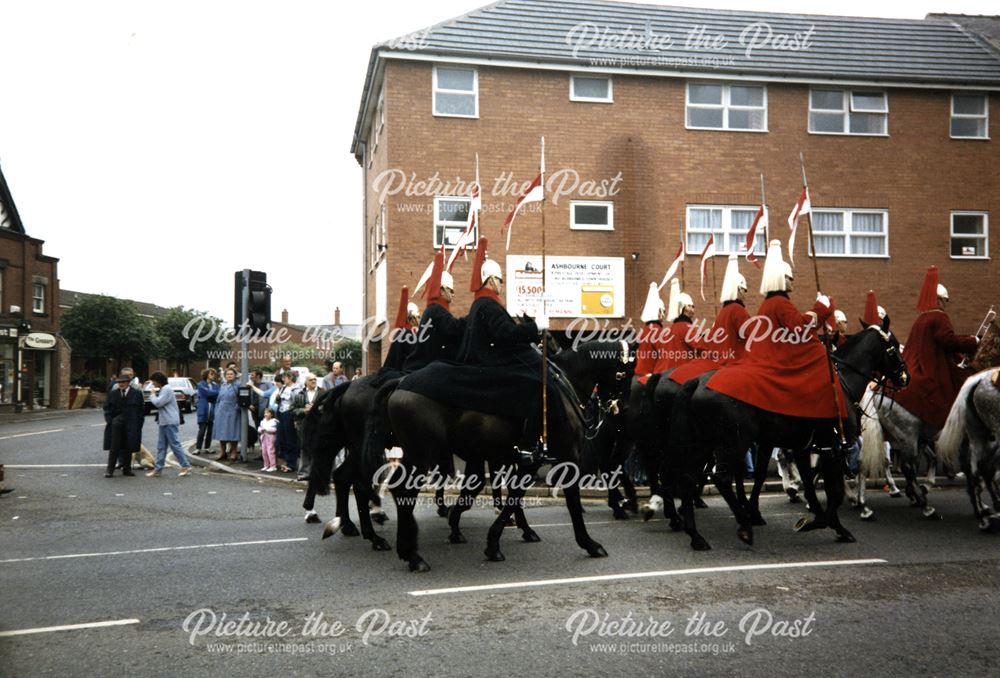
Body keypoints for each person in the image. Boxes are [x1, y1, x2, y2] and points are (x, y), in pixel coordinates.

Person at [706, 239, 846, 422]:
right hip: (760, 359)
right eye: (789, 278)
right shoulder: (774, 304)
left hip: (750, 356)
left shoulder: (764, 305)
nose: (793, 281)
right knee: (821, 355)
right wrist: (821, 308)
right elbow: (801, 328)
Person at [892, 266, 979, 430]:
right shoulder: (939, 316)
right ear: (939, 300)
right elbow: (949, 341)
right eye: (945, 301)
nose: (945, 305)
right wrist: (973, 340)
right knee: (965, 382)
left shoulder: (921, 318)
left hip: (913, 366)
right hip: (932, 369)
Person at [402, 250, 466, 373]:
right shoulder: (437, 310)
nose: (453, 294)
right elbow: (455, 329)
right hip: (425, 368)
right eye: (451, 290)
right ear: (442, 291)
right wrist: (473, 317)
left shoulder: (434, 310)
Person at [145, 372, 193, 477]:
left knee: (175, 445)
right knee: (161, 446)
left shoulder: (166, 389)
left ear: (158, 381)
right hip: (165, 421)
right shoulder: (164, 389)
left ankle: (186, 466)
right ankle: (158, 469)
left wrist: (152, 394)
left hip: (169, 421)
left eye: (153, 381)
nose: (152, 384)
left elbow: (158, 403)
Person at [102, 371, 144, 477]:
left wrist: (139, 424)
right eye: (119, 382)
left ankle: (127, 469)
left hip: (131, 423)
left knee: (129, 446)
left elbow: (141, 410)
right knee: (114, 446)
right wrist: (109, 420)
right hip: (116, 423)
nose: (121, 384)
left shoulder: (137, 393)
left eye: (124, 382)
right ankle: (109, 470)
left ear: (128, 383)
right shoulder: (113, 393)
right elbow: (107, 407)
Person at [292, 374, 326, 480]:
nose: (313, 381)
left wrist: (315, 409)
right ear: (306, 382)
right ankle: (304, 473)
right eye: (311, 380)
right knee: (305, 448)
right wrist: (304, 410)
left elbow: (327, 407)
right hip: (304, 425)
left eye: (315, 379)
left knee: (319, 449)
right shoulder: (299, 394)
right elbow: (293, 409)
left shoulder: (323, 393)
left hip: (319, 424)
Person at [213, 368, 241, 462]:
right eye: (227, 374)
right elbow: (219, 398)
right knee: (222, 432)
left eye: (231, 374)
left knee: (233, 432)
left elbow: (241, 398)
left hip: (233, 411)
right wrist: (217, 409)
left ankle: (234, 452)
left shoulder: (238, 385)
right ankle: (223, 452)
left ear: (235, 375)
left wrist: (237, 407)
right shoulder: (223, 385)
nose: (229, 375)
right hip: (221, 411)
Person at [275, 371, 300, 472]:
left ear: (290, 378)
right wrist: (278, 399)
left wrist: (295, 419)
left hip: (289, 414)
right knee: (282, 439)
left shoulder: (296, 389)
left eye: (284, 378)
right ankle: (284, 461)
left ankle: (291, 464)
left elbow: (296, 404)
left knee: (291, 440)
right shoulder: (284, 388)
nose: (283, 380)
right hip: (281, 414)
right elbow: (280, 402)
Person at [193, 368, 219, 454]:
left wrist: (212, 393)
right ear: (206, 375)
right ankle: (198, 448)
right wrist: (213, 393)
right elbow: (207, 393)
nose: (213, 375)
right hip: (203, 410)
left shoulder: (215, 385)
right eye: (211, 374)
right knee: (202, 430)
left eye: (214, 374)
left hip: (212, 410)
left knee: (210, 431)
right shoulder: (201, 384)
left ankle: (207, 447)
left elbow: (218, 394)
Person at [257, 408, 278, 472]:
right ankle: (266, 465)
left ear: (271, 414)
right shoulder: (263, 421)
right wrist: (261, 430)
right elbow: (259, 428)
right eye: (265, 413)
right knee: (264, 452)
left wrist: (266, 429)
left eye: (267, 413)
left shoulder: (274, 421)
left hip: (270, 438)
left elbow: (275, 430)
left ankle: (273, 466)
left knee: (270, 451)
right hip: (264, 438)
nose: (265, 414)